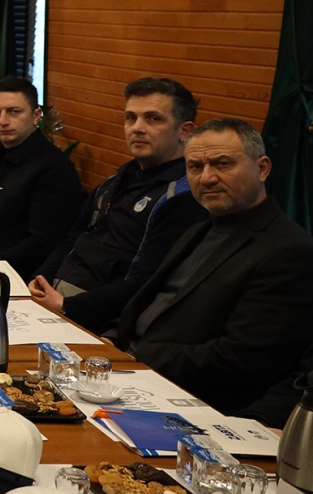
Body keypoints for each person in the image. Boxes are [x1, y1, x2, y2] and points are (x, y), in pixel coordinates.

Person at [104, 118, 313, 416]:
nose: (206, 178)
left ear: (262, 168)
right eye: (195, 167)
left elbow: (241, 358)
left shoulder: (288, 250)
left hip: (189, 399)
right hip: (128, 371)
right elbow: (150, 304)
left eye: (223, 164)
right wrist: (110, 340)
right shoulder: (197, 229)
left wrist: (135, 356)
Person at [27, 78, 208, 333]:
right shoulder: (114, 181)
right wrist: (38, 281)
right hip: (52, 302)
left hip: (98, 324)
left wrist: (67, 306)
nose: (137, 128)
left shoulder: (182, 196)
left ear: (185, 131)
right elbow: (73, 240)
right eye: (130, 118)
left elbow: (147, 282)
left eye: (153, 119)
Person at [0, 77, 83, 276]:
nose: (3, 121)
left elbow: (42, 244)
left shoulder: (54, 168)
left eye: (14, 112)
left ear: (36, 115)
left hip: (10, 278)